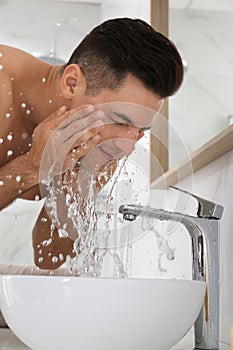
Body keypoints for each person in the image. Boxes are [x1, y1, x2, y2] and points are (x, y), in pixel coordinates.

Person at [0, 17, 184, 270]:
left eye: (139, 130)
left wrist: (83, 178)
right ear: (72, 83)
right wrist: (32, 167)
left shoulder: (100, 145)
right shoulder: (3, 87)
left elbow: (49, 256)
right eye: (119, 121)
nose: (127, 147)